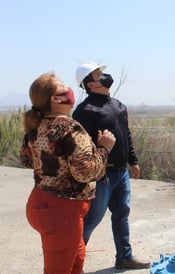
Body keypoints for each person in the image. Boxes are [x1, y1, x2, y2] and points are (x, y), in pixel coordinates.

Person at [20, 72, 116, 274]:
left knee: (76, 259)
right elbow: (85, 172)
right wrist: (104, 148)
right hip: (62, 210)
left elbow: (27, 159)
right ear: (56, 99)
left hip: (41, 203)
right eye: (63, 86)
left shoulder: (34, 127)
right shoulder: (70, 128)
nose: (70, 89)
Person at [73, 62, 150, 269]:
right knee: (92, 219)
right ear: (90, 84)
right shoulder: (84, 111)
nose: (105, 76)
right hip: (101, 175)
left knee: (121, 213)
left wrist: (132, 161)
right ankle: (71, 260)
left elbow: (126, 135)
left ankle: (124, 257)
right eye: (100, 74)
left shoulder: (118, 106)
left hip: (121, 172)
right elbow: (79, 147)